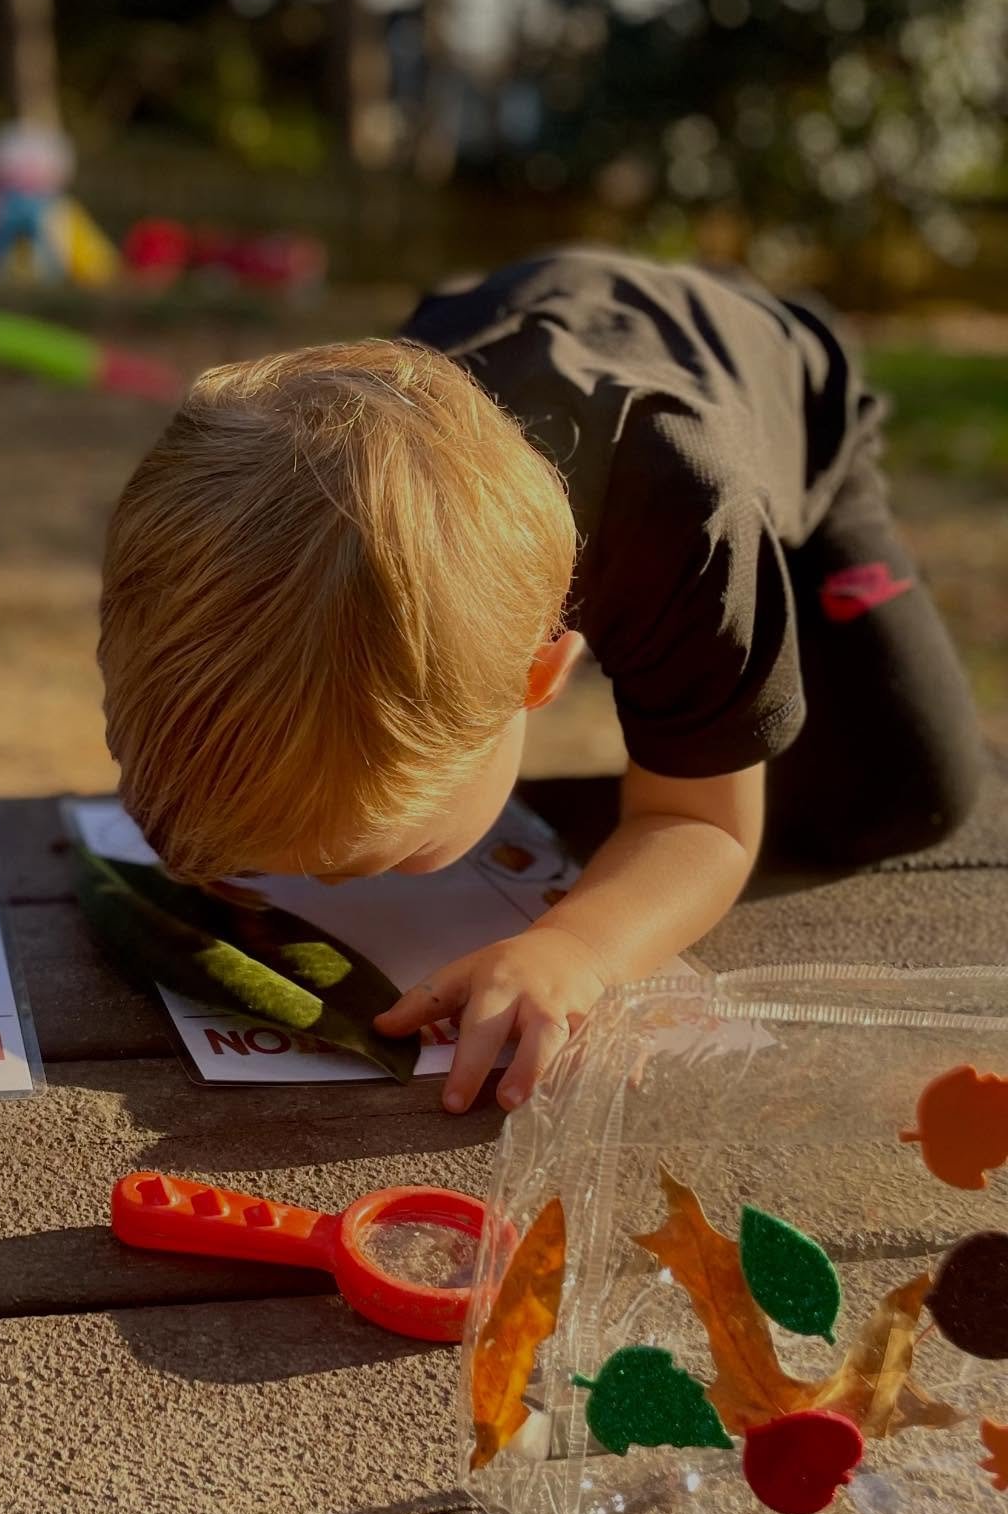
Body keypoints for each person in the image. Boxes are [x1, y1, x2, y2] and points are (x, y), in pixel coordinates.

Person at [97, 248, 983, 1113]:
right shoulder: (300, 499)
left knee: (903, 793)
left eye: (392, 853)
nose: (330, 889)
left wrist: (580, 947)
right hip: (515, 336)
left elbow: (705, 824)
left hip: (774, 386)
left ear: (541, 673)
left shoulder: (688, 512)